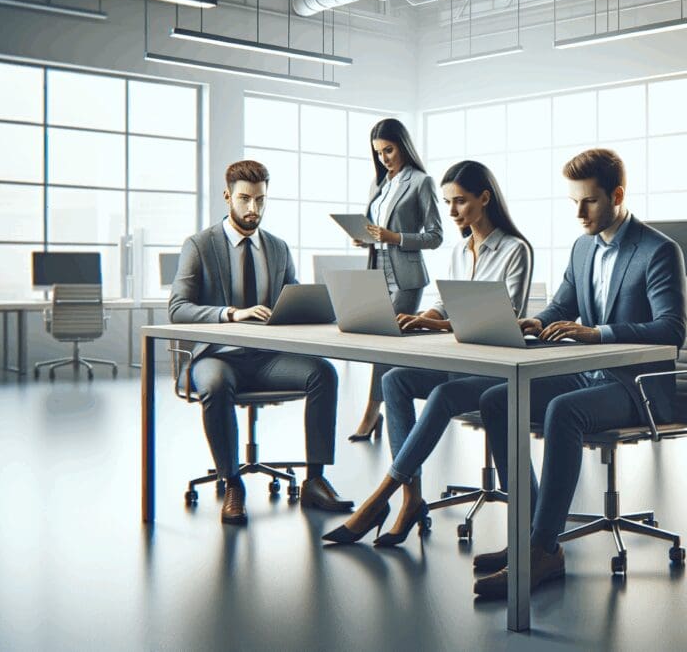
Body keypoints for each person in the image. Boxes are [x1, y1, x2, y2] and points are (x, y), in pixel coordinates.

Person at [470, 149, 687, 600]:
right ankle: (529, 533)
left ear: (618, 195)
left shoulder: (658, 250)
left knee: (562, 411)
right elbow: (563, 305)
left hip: (637, 387)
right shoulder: (582, 247)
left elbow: (672, 328)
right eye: (573, 202)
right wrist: (537, 320)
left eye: (588, 201)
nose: (580, 213)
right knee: (496, 399)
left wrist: (598, 333)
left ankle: (543, 551)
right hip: (589, 375)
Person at [322, 160, 533, 546]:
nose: (452, 212)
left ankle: (379, 498)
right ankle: (411, 498)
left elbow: (505, 320)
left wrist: (438, 325)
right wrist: (423, 316)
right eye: (448, 203)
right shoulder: (459, 250)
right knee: (394, 380)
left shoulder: (515, 249)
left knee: (441, 395)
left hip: (495, 372)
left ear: (485, 199)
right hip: (458, 363)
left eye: (461, 203)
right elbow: (446, 303)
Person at [169, 160, 353, 525]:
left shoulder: (279, 248)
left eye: (260, 200)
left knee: (323, 374)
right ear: (227, 197)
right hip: (216, 358)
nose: (253, 209)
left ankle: (315, 480)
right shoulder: (200, 246)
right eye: (245, 199)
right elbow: (178, 308)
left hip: (267, 360)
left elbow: (295, 298)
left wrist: (322, 307)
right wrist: (230, 314)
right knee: (217, 385)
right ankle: (232, 482)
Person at [348, 118, 444, 444]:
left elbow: (435, 236)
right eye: (378, 153)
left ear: (402, 145)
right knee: (379, 342)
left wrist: (394, 237)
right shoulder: (379, 184)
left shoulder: (421, 182)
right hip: (377, 273)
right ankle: (383, 411)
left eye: (388, 150)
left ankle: (374, 410)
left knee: (388, 342)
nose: (384, 158)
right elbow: (376, 228)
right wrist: (367, 238)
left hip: (406, 277)